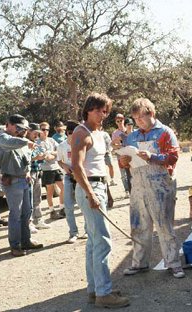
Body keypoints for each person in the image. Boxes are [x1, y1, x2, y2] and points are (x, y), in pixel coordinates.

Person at [71, 93, 130, 308]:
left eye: (105, 111)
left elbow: (99, 165)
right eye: (98, 110)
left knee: (93, 242)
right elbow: (76, 167)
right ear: (88, 109)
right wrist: (91, 193)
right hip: (89, 188)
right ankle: (103, 293)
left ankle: (95, 289)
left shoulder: (99, 133)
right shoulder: (81, 132)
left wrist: (106, 191)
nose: (102, 114)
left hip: (98, 185)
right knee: (103, 241)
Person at [120, 98, 185, 279]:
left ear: (151, 113)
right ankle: (139, 263)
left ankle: (173, 264)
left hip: (161, 185)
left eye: (142, 117)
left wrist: (152, 156)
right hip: (138, 186)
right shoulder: (132, 137)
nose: (139, 122)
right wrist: (123, 161)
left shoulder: (165, 132)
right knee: (138, 225)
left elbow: (173, 157)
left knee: (164, 226)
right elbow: (124, 159)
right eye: (135, 119)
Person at [0, 114, 43, 257]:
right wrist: (25, 142)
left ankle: (26, 240)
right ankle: (15, 246)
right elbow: (10, 142)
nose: (20, 131)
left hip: (24, 179)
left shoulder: (20, 140)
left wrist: (28, 171)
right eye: (18, 128)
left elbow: (26, 157)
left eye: (22, 129)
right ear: (9, 124)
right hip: (13, 180)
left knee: (26, 213)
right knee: (15, 215)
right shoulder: (2, 136)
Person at [57, 120, 86, 243]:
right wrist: (64, 166)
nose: (71, 135)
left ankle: (87, 230)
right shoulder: (61, 146)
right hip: (68, 177)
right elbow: (59, 160)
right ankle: (73, 233)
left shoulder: (81, 144)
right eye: (69, 133)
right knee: (68, 206)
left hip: (81, 177)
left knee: (84, 205)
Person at [26, 123, 51, 232]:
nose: (37, 135)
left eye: (38, 133)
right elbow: (25, 160)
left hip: (37, 172)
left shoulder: (35, 143)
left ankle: (38, 219)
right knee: (29, 199)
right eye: (35, 133)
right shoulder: (24, 143)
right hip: (29, 173)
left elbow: (38, 158)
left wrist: (42, 157)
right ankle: (29, 222)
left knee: (37, 198)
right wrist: (37, 157)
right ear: (29, 131)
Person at [39, 121, 65, 220]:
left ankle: (62, 208)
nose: (45, 131)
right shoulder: (38, 143)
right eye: (43, 129)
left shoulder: (51, 140)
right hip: (47, 170)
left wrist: (51, 153)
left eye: (47, 129)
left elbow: (59, 150)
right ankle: (51, 211)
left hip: (56, 167)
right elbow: (46, 158)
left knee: (63, 187)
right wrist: (52, 154)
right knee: (50, 191)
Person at [111, 113, 130, 197]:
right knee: (123, 174)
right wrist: (121, 145)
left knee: (132, 173)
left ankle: (132, 189)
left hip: (130, 153)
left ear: (123, 120)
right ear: (115, 122)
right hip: (120, 154)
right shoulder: (115, 133)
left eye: (121, 120)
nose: (119, 122)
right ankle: (126, 190)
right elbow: (113, 145)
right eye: (117, 121)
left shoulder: (129, 129)